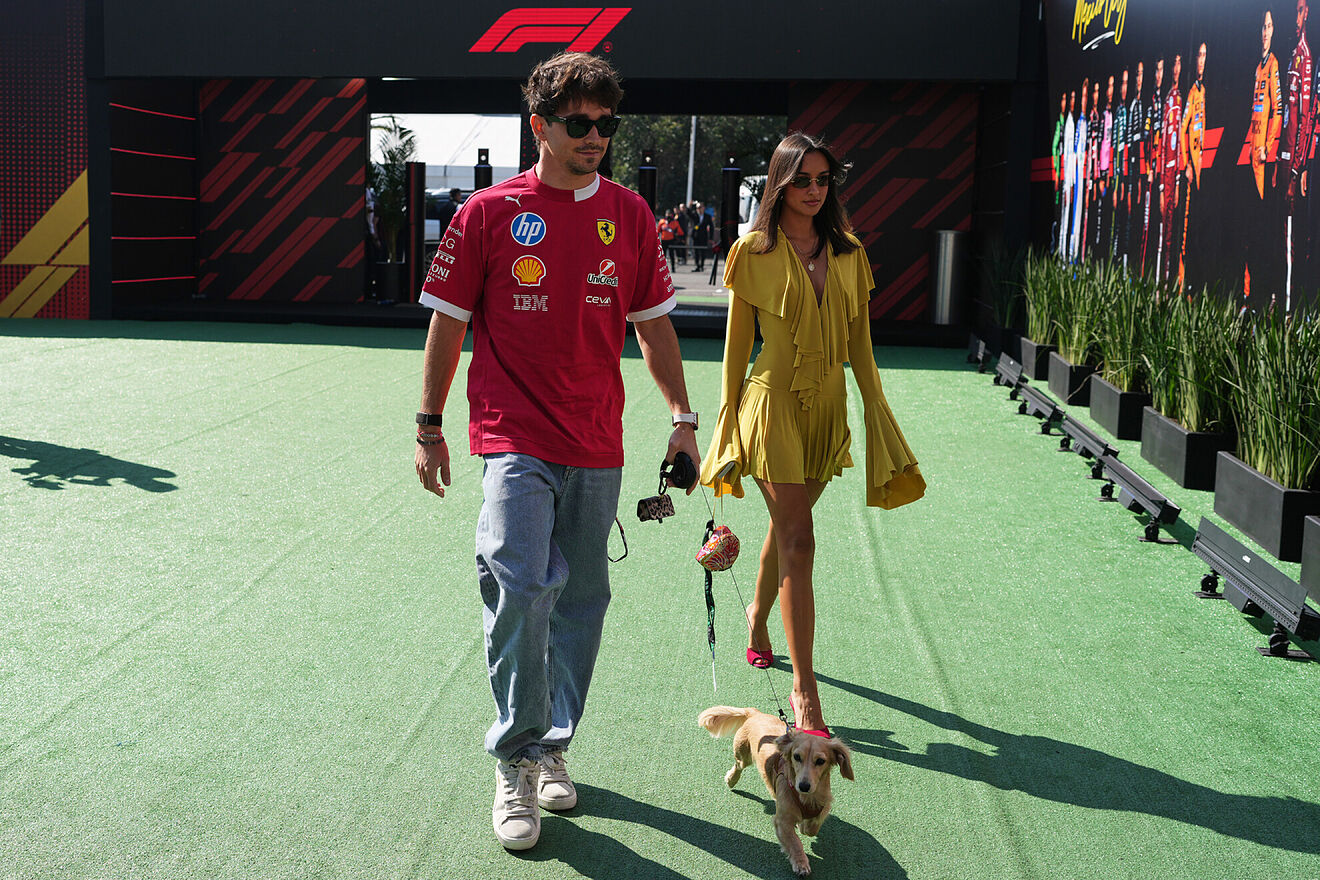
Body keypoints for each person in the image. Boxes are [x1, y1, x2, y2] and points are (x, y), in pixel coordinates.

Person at [413, 51, 701, 853]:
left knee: (580, 599)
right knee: (518, 583)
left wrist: (682, 418)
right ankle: (515, 756)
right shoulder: (487, 214)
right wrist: (429, 425)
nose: (595, 137)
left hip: (597, 439)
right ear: (539, 125)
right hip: (513, 435)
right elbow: (447, 322)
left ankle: (552, 745)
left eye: (606, 124)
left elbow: (653, 326)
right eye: (579, 123)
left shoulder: (631, 216)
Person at [698, 132, 926, 737]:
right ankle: (805, 693)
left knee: (787, 528)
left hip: (827, 410)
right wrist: (726, 426)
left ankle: (757, 616)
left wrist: (877, 411)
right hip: (770, 406)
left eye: (823, 180)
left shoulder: (850, 252)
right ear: (779, 184)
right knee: (801, 536)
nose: (814, 190)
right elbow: (736, 349)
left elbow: (861, 345)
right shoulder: (752, 251)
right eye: (801, 180)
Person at [1246, 10, 1283, 305]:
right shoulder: (1257, 67)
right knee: (1251, 232)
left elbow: (1279, 110)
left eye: (1270, 26)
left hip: (1264, 162)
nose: (1265, 31)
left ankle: (1268, 294)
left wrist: (1267, 147)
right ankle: (1250, 294)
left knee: (1265, 230)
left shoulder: (1273, 65)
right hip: (1250, 160)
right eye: (1263, 26)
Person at [1280, 0, 1314, 310]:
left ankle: (1291, 310)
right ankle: (1280, 300)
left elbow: (1305, 118)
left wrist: (1296, 169)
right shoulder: (1292, 53)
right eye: (1295, 10)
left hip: (1295, 162)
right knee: (1279, 232)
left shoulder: (1306, 56)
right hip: (1283, 157)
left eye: (1301, 10)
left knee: (1293, 235)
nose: (1297, 16)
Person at [1179, 44, 1207, 290]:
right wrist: (1187, 162)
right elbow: (1182, 128)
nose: (1201, 60)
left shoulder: (1209, 90)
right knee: (1188, 230)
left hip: (1207, 171)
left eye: (1204, 55)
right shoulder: (1193, 92)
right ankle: (1183, 284)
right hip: (1193, 172)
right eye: (1198, 55)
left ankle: (1196, 286)